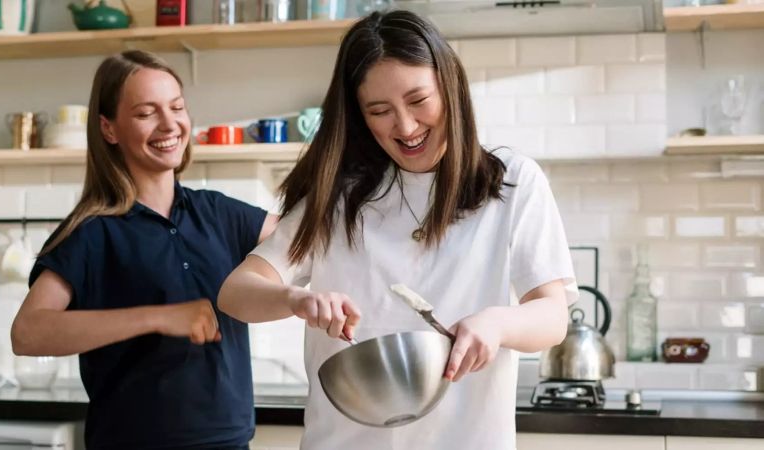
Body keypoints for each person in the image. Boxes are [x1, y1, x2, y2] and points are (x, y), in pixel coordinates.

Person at [218, 10, 576, 450]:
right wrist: (296, 299)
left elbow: (552, 315)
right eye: (380, 111)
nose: (405, 127)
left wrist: (498, 324)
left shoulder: (512, 182)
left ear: (450, 87)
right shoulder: (339, 198)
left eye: (419, 100)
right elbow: (236, 293)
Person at [10, 50, 278, 450]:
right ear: (109, 129)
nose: (169, 124)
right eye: (146, 113)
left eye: (177, 107)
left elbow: (308, 240)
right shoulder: (91, 232)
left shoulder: (220, 214)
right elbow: (27, 334)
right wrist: (157, 317)